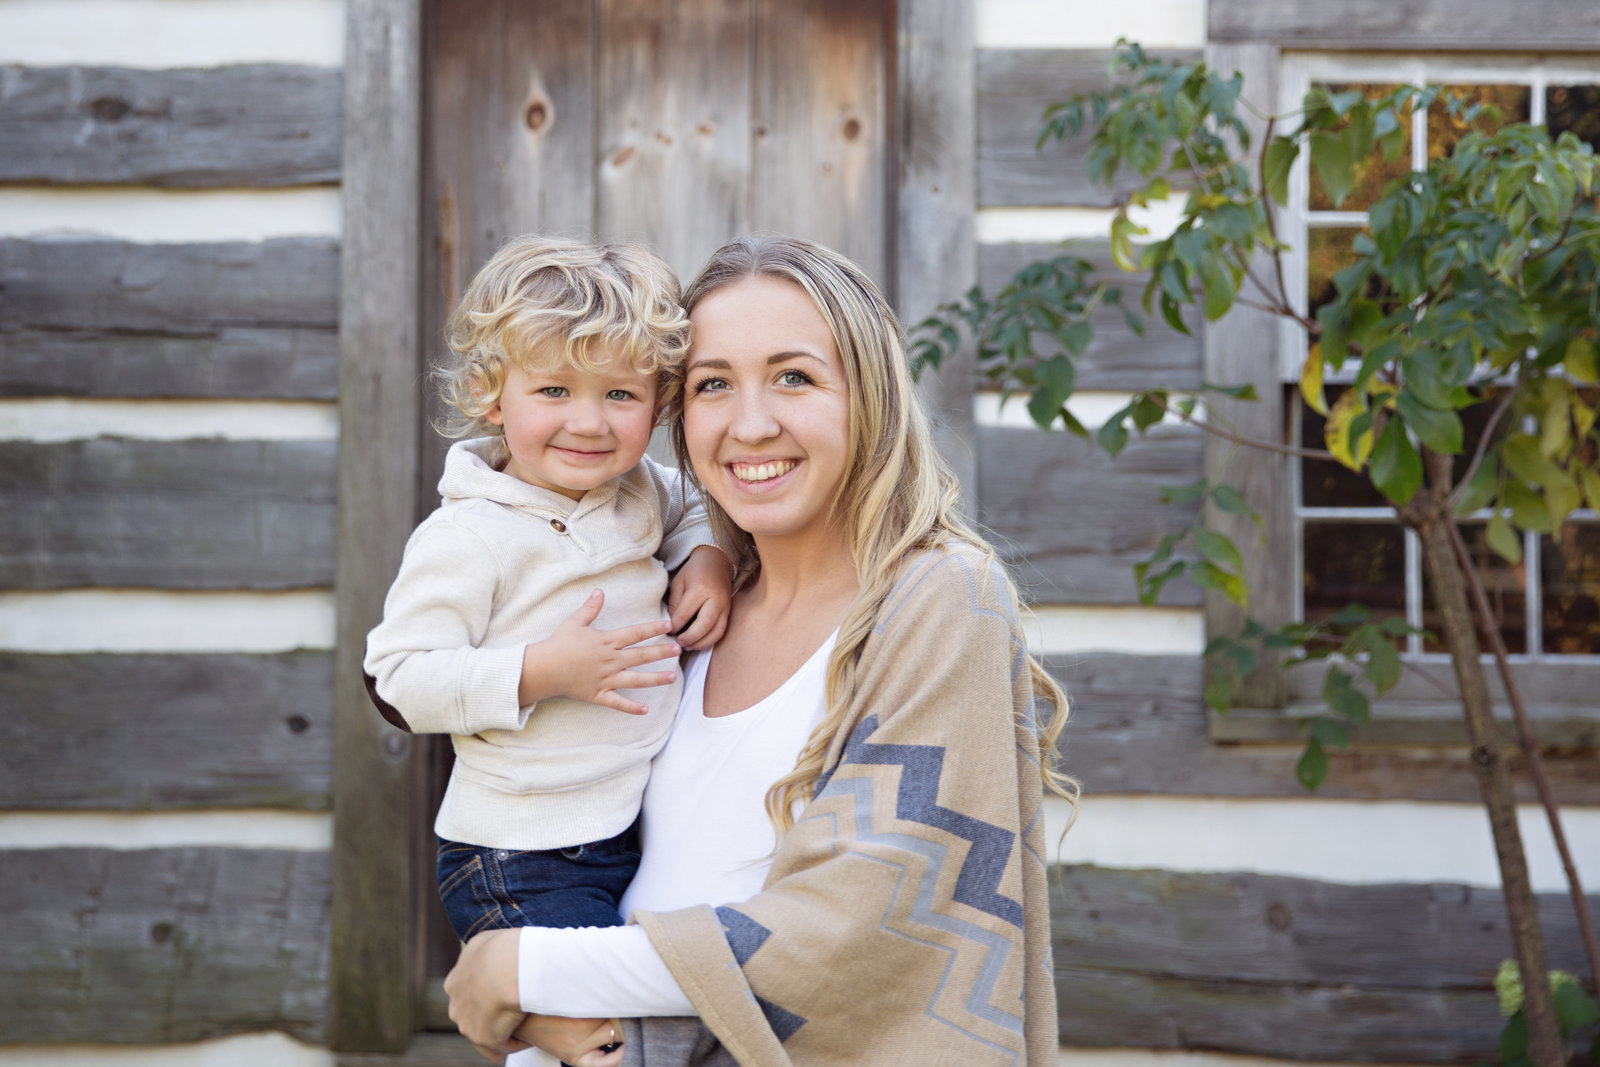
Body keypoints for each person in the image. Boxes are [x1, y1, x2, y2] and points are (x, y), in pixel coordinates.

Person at [443, 233, 1077, 1067]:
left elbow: (861, 925)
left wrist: (530, 967)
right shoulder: (687, 606)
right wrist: (542, 1002)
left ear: (872, 396)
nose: (750, 424)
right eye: (713, 385)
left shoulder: (938, 596)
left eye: (795, 376)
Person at [363, 236, 733, 990]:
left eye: (619, 395)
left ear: (658, 404)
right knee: (594, 1031)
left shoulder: (642, 491)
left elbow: (695, 504)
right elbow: (398, 677)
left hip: (627, 830)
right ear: (492, 395)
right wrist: (541, 671)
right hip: (520, 856)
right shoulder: (470, 536)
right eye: (555, 391)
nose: (590, 422)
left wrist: (707, 558)